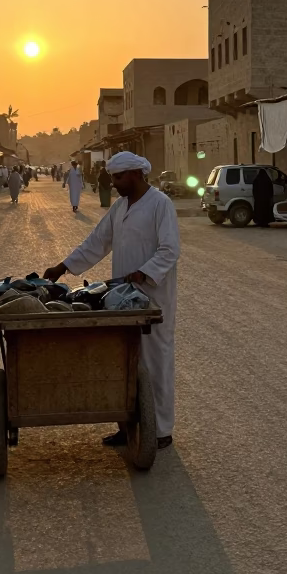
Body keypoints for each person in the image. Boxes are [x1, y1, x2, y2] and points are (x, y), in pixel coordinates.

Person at [43, 151, 179, 450]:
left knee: (155, 362)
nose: (113, 183)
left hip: (153, 298)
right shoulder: (119, 207)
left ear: (134, 174)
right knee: (124, 361)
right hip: (123, 300)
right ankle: (126, 424)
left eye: (118, 177)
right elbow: (97, 241)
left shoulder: (160, 204)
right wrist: (63, 267)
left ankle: (161, 430)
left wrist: (144, 273)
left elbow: (170, 249)